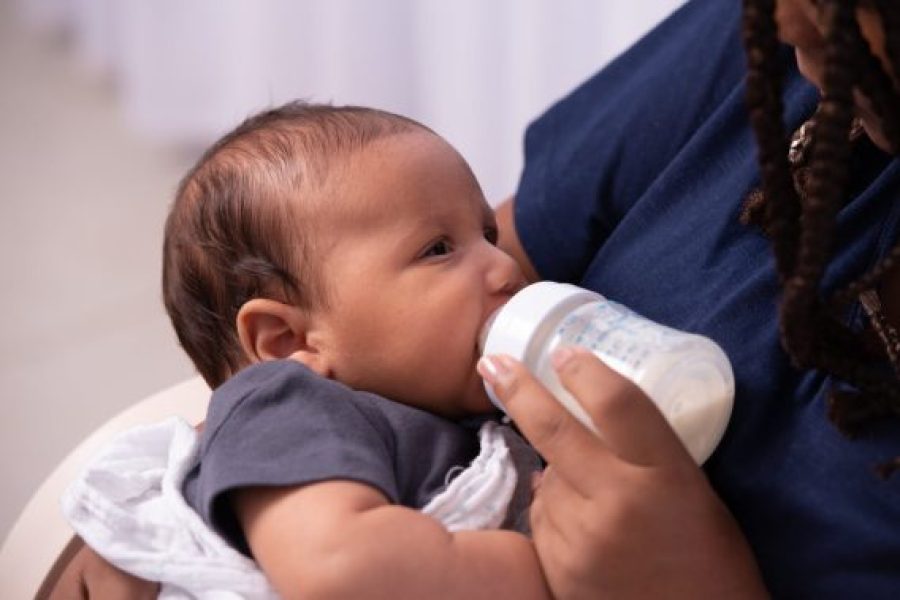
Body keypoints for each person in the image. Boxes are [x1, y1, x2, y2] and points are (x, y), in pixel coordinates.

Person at [54, 0, 900, 597]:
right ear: (287, 345)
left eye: (484, 237)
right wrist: (544, 575)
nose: (503, 269)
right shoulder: (291, 408)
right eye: (440, 249)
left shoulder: (444, 399)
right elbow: (343, 568)